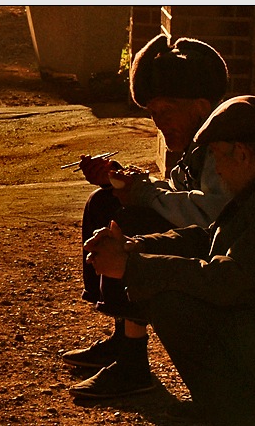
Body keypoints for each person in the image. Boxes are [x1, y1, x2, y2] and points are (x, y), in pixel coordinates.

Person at [70, 95, 255, 426]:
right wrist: (137, 246)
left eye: (218, 156)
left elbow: (229, 281)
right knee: (168, 282)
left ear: (242, 153)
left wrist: (134, 266)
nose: (216, 169)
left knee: (172, 296)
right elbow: (209, 238)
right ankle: (225, 407)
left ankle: (253, 421)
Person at [62, 34, 232, 375]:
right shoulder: (192, 144)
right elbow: (178, 191)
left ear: (200, 107)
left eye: (166, 111)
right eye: (153, 113)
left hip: (222, 254)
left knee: (132, 224)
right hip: (199, 237)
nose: (159, 122)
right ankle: (123, 338)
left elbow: (210, 212)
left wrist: (146, 196)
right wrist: (122, 182)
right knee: (103, 202)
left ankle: (132, 362)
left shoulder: (221, 148)